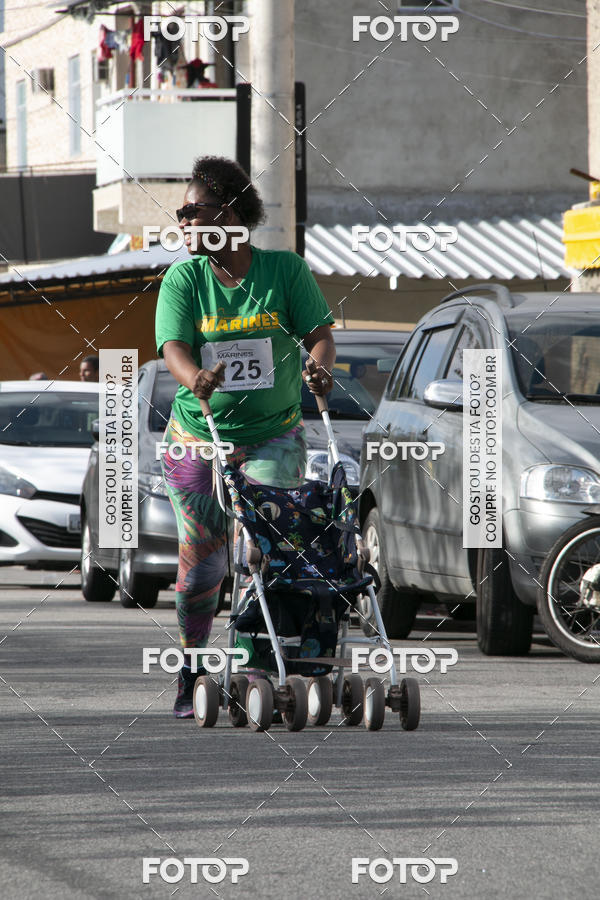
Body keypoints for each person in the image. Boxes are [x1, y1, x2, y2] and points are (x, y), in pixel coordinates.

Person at [155, 156, 336, 717]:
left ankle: (254, 664)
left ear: (230, 214)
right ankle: (191, 670)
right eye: (180, 214)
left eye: (194, 211)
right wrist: (197, 378)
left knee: (260, 550)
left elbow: (319, 335)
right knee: (204, 567)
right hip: (197, 438)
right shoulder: (184, 279)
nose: (183, 223)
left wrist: (319, 366)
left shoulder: (284, 271)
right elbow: (174, 349)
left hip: (272, 437)